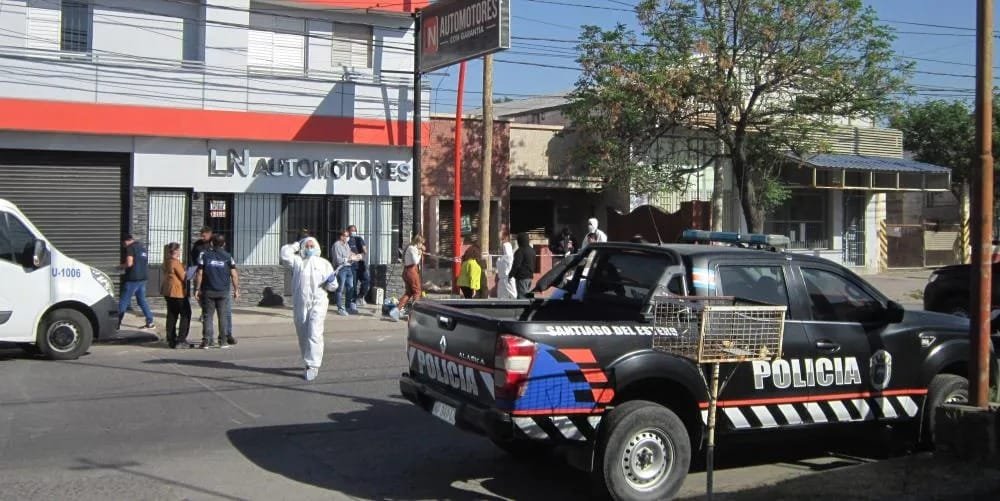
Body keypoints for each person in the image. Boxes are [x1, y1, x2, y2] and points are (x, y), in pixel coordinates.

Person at [280, 236, 336, 381]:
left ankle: (313, 364)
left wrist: (330, 282)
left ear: (317, 247)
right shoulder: (298, 261)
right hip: (300, 303)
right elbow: (284, 254)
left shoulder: (324, 263)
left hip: (319, 301)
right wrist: (296, 244)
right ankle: (308, 360)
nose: (309, 248)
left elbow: (333, 285)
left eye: (312, 246)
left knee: (315, 331)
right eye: (307, 246)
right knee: (303, 333)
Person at [194, 235, 239, 349]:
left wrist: (197, 289)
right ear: (224, 244)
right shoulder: (228, 256)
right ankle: (223, 341)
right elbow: (234, 274)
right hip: (223, 291)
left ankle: (207, 341)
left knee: (208, 316)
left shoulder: (205, 255)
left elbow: (200, 273)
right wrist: (236, 290)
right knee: (222, 316)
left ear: (212, 243)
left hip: (208, 290)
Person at [118, 234, 155, 329]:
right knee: (142, 300)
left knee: (124, 301)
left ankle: (116, 323)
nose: (123, 245)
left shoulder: (130, 248)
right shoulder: (142, 248)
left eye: (123, 243)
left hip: (132, 279)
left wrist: (121, 266)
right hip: (143, 278)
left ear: (126, 241)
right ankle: (150, 322)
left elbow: (129, 263)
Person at [160, 242, 191, 349]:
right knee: (186, 314)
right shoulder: (176, 262)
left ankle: (171, 338)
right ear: (177, 251)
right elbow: (183, 277)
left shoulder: (166, 261)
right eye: (179, 250)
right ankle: (181, 340)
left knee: (172, 314)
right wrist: (187, 272)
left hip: (167, 290)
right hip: (177, 292)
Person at [394, 234, 424, 321]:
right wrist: (420, 254)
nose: (421, 246)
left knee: (409, 292)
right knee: (417, 292)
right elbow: (416, 261)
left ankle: (395, 312)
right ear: (418, 242)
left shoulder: (409, 247)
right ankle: (415, 314)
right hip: (412, 271)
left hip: (407, 271)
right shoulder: (413, 248)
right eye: (421, 244)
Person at [188, 226, 213, 322]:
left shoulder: (213, 244)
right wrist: (192, 270)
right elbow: (192, 256)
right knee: (197, 293)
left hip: (209, 273)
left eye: (204, 236)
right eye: (201, 236)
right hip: (198, 271)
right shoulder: (198, 244)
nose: (202, 238)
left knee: (207, 294)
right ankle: (205, 310)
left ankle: (205, 313)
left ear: (210, 234)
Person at [347, 225, 370, 306]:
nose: (353, 232)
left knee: (366, 280)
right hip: (352, 265)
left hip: (361, 265)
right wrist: (351, 256)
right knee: (353, 284)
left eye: (354, 230)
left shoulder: (359, 239)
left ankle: (360, 297)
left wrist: (363, 252)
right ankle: (353, 302)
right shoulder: (347, 240)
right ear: (348, 231)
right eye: (351, 230)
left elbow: (365, 250)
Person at [509, 233, 536, 299]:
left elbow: (516, 265)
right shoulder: (532, 251)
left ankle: (523, 309)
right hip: (529, 277)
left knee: (522, 297)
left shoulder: (520, 251)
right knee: (527, 296)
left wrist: (511, 275)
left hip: (521, 278)